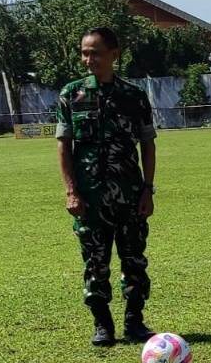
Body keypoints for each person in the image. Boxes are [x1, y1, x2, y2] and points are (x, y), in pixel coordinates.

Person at [55, 27, 158, 346]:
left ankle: (134, 322)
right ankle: (102, 325)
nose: (89, 59)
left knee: (135, 261)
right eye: (84, 52)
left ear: (115, 54)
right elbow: (63, 146)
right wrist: (71, 190)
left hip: (129, 195)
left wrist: (147, 189)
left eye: (95, 52)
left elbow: (147, 144)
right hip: (90, 199)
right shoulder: (71, 95)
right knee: (95, 263)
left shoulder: (134, 96)